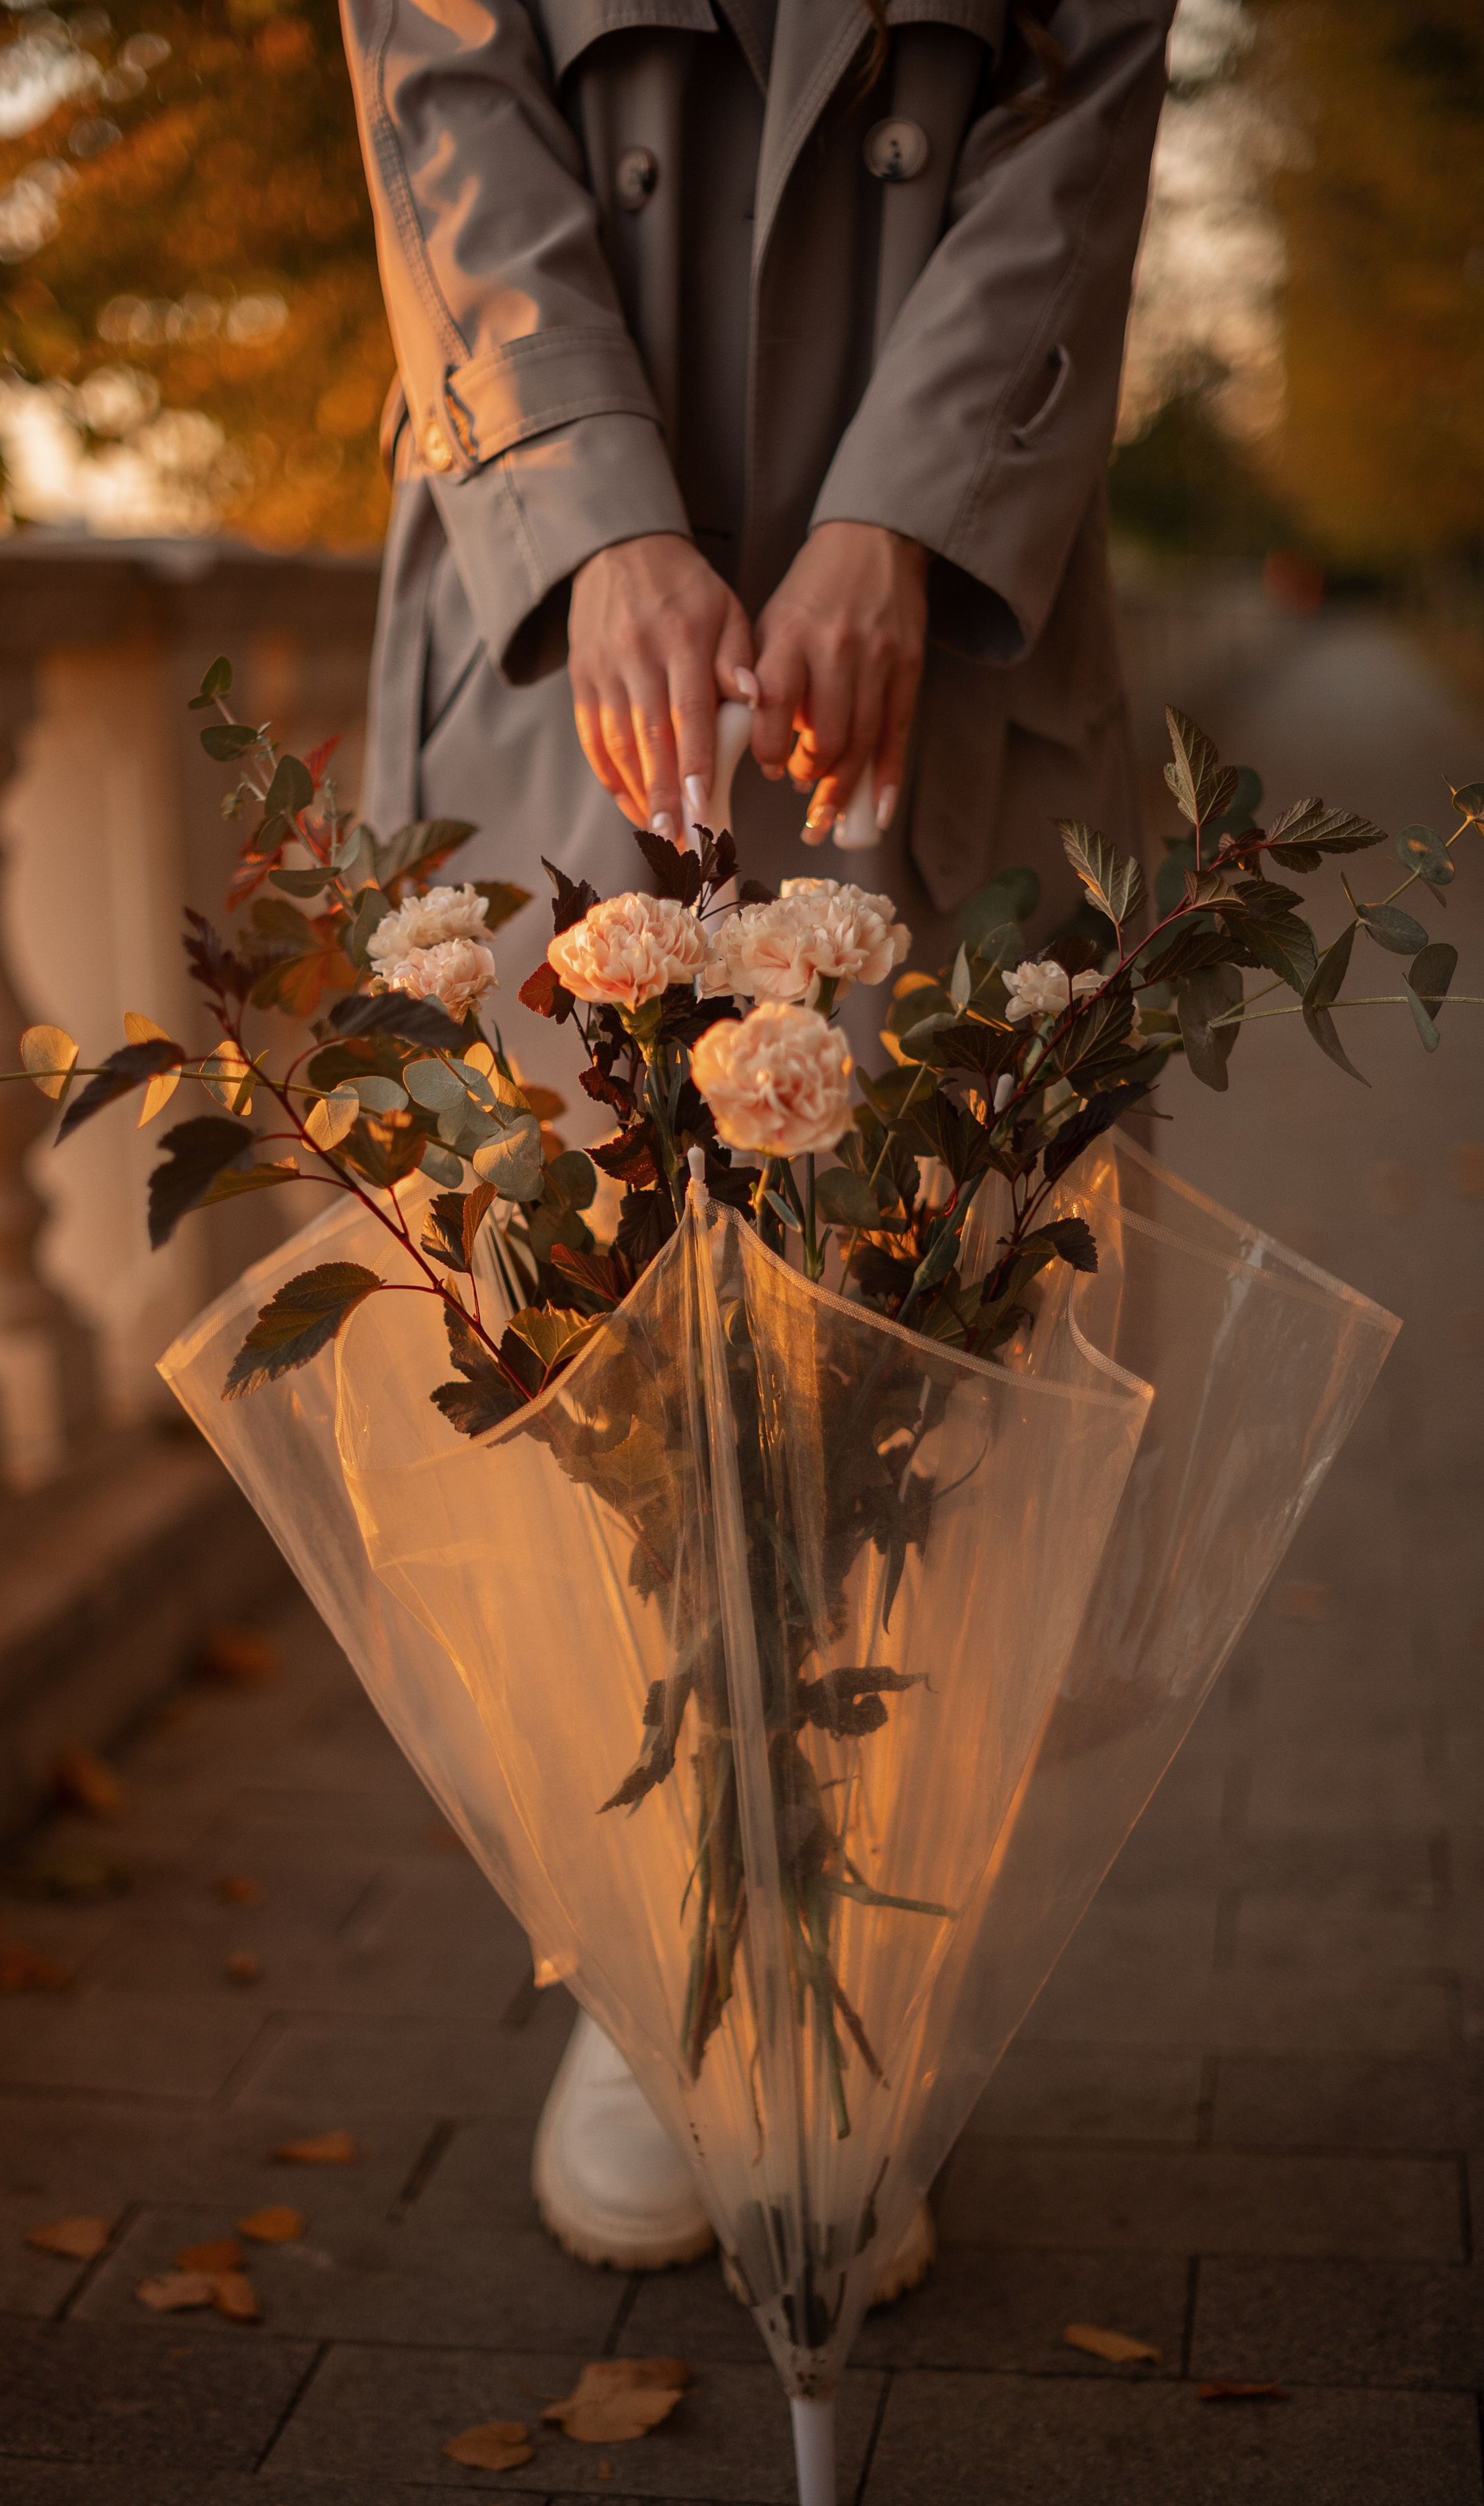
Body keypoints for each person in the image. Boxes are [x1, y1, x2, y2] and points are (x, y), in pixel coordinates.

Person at [339, 0, 1175, 2277]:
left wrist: (907, 514)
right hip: (556, 596)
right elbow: (440, 103)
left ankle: (836, 1968)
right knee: (572, 1297)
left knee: (916, 1289)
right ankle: (644, 1959)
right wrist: (591, 512)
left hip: (937, 596)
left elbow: (1077, 141)